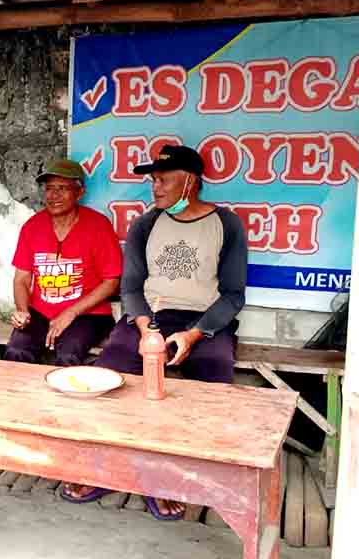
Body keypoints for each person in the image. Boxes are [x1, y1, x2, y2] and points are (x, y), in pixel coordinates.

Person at [85, 144, 248, 518]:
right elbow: (130, 288)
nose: (154, 187)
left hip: (204, 323)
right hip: (150, 318)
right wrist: (145, 329)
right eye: (152, 180)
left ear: (190, 180)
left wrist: (194, 335)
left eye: (162, 179)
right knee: (110, 373)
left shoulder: (226, 224)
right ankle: (103, 469)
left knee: (210, 382)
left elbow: (233, 294)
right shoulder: (146, 223)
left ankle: (170, 478)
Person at [3, 158, 122, 366]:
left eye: (62, 188)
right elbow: (21, 279)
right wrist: (22, 311)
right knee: (16, 351)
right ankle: (21, 399)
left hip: (88, 314)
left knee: (68, 354)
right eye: (49, 188)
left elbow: (111, 282)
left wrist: (70, 313)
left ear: (79, 193)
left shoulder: (98, 226)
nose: (53, 195)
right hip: (41, 312)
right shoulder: (32, 227)